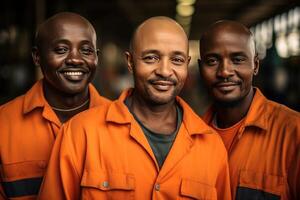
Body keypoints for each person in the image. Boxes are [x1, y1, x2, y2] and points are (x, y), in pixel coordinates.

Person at [39, 16, 231, 199]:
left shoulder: (212, 148)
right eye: (151, 58)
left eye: (177, 60)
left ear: (186, 65)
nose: (164, 71)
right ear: (130, 62)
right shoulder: (80, 134)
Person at [0, 12, 110, 199]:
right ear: (37, 57)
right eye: (61, 50)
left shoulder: (122, 123)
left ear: (97, 57)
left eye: (86, 50)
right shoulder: (3, 123)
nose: (75, 59)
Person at [198, 20, 300, 200]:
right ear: (200, 68)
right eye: (212, 61)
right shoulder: (189, 136)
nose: (225, 72)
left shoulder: (293, 132)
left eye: (237, 60)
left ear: (256, 65)